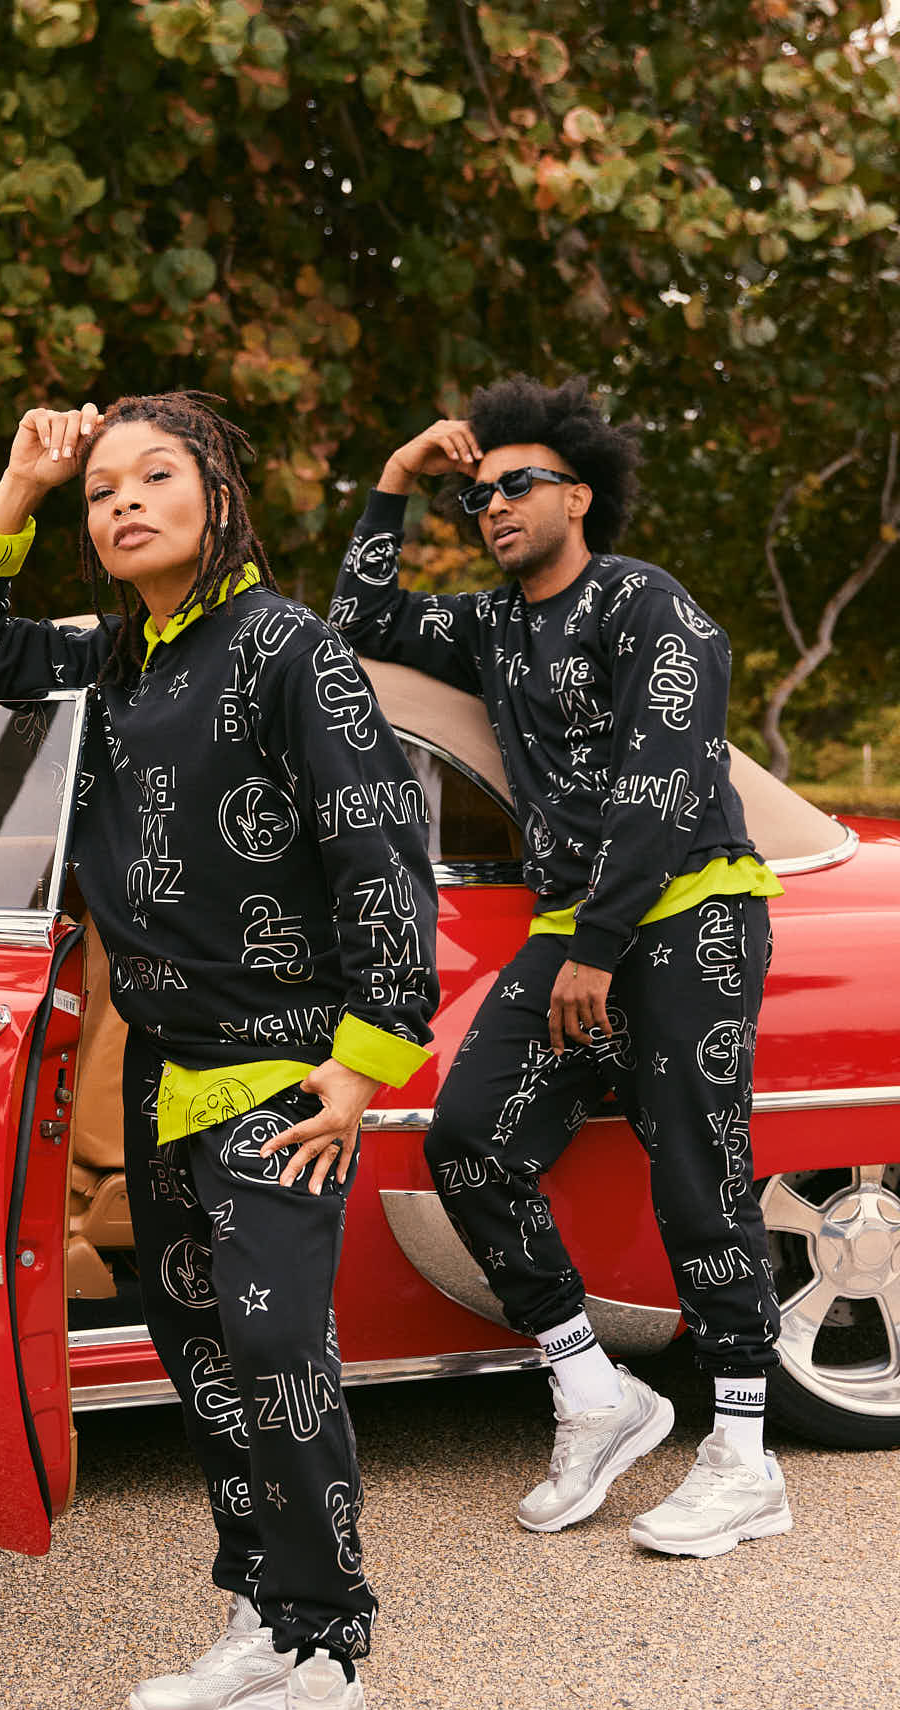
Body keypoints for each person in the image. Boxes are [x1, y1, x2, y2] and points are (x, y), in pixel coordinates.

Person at [0, 392, 438, 1710]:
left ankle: (332, 1666)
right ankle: (264, 1625)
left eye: (157, 477)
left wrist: (366, 1061)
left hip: (282, 1076)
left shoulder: (292, 652)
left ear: (219, 492)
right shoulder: (112, 657)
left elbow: (382, 853)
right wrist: (17, 484)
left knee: (275, 1353)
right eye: (103, 492)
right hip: (161, 1065)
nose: (122, 503)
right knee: (195, 1342)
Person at [331, 373, 792, 1559]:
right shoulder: (493, 627)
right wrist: (391, 483)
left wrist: (597, 942)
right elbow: (359, 624)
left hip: (690, 911)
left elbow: (666, 779)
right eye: (475, 494)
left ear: (579, 494)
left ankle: (744, 1454)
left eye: (516, 485)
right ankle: (595, 1392)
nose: (490, 507)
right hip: (571, 929)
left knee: (697, 1157)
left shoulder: (653, 607)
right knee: (468, 1142)